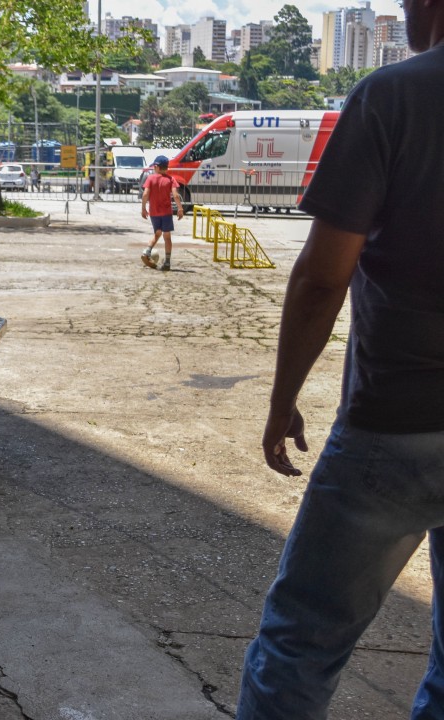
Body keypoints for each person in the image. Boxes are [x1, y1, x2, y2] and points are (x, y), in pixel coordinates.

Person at [237, 4, 444, 718]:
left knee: (300, 644)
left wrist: (282, 397)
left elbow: (324, 275)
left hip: (395, 425)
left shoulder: (393, 95)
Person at [139, 156, 184, 271]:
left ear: (157, 167)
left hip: (154, 212)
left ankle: (147, 251)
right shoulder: (171, 179)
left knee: (157, 233)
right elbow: (176, 196)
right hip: (166, 212)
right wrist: (180, 209)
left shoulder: (150, 178)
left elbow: (145, 194)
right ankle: (167, 262)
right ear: (167, 167)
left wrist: (143, 208)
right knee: (167, 237)